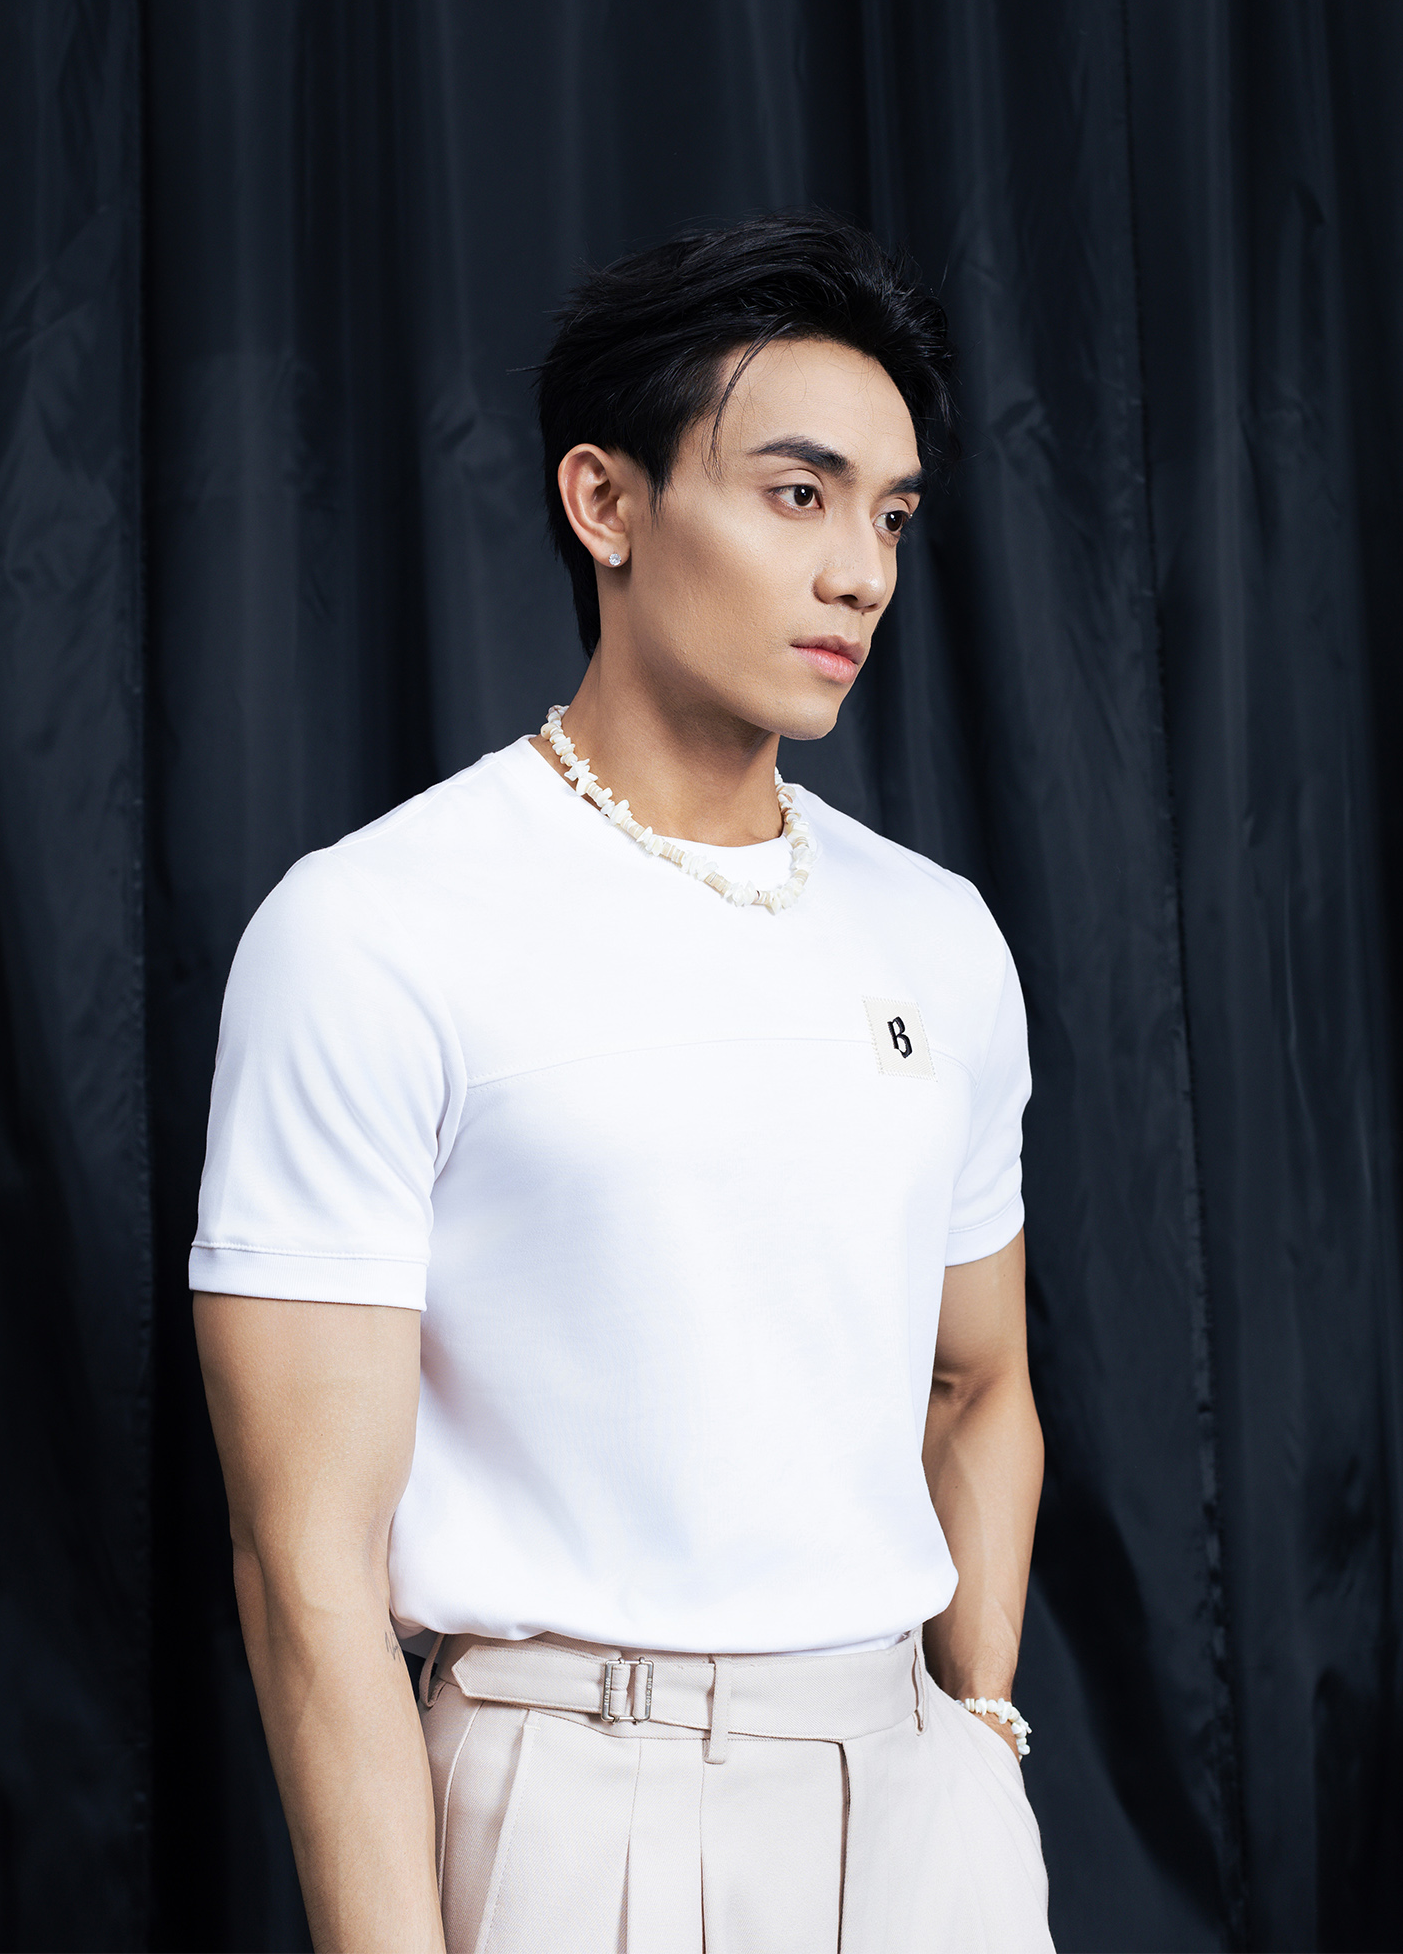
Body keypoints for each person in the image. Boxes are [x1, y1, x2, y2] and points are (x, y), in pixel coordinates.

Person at [191, 213, 1053, 1953]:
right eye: (798, 494)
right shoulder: (372, 930)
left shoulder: (939, 932)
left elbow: (979, 1383)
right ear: (606, 503)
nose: (862, 573)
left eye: (891, 516)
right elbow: (305, 1569)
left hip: (921, 1812)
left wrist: (975, 1731)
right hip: (583, 1806)